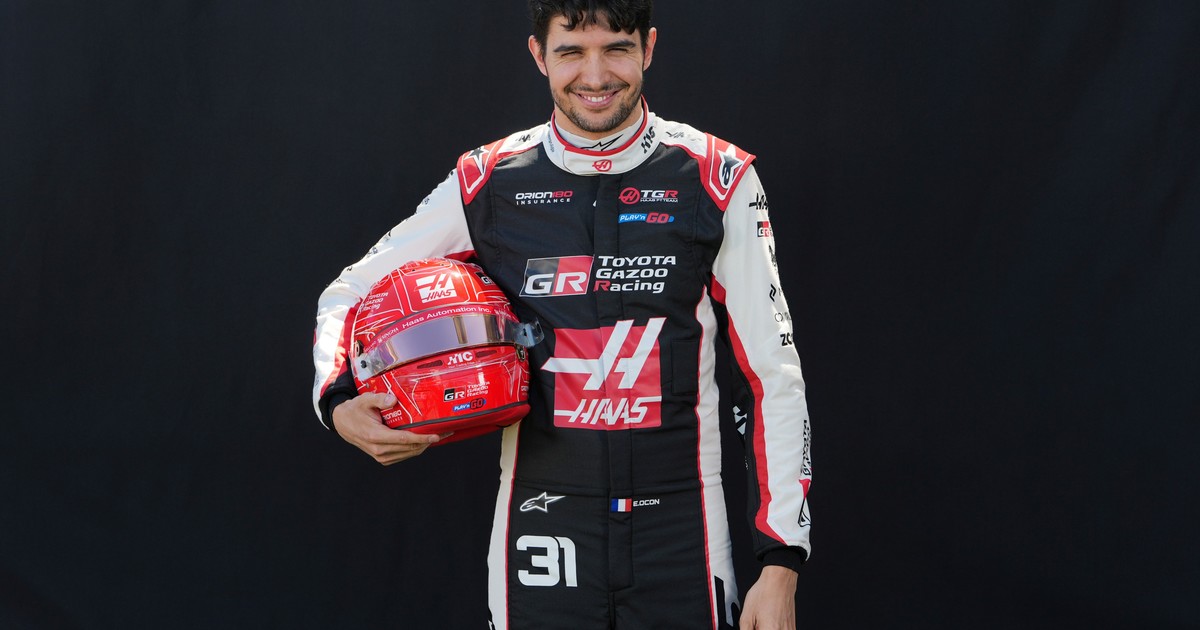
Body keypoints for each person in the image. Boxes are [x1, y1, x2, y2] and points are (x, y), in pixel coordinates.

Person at [311, 1, 813, 627]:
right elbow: (351, 292)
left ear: (649, 48)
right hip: (540, 524)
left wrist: (781, 560)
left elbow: (771, 375)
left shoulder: (718, 178)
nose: (595, 76)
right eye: (572, 52)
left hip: (683, 530)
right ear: (538, 55)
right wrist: (337, 398)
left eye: (617, 49)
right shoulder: (487, 180)